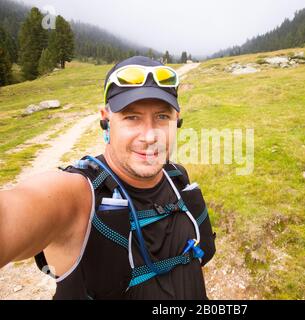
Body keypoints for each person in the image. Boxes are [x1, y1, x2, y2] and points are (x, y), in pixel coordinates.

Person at [0, 56, 216, 300]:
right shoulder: (78, 195)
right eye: (132, 117)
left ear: (177, 119)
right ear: (105, 118)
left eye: (162, 117)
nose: (149, 136)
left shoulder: (177, 178)